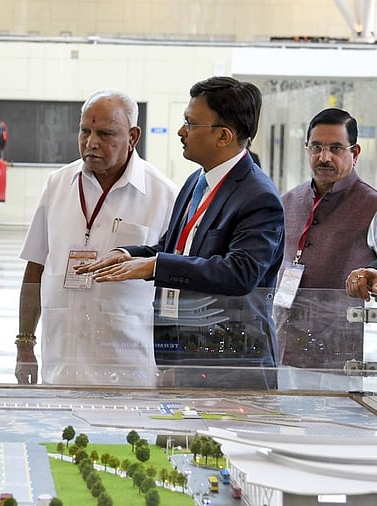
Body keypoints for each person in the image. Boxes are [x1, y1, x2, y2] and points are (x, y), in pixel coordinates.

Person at [82, 76, 285, 389]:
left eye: (190, 123)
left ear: (224, 136)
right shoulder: (196, 182)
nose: (180, 131)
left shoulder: (258, 197)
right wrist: (128, 255)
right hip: (184, 357)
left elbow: (241, 273)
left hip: (231, 366)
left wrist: (156, 266)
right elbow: (174, 249)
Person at [16, 90, 178, 387]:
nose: (91, 142)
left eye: (105, 134)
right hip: (62, 368)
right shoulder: (57, 185)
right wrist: (24, 344)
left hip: (128, 372)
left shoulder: (163, 195)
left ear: (133, 137)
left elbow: (173, 288)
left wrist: (171, 363)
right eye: (85, 131)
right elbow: (35, 268)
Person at [277, 108, 377, 375]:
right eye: (316, 147)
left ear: (355, 153)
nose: (324, 157)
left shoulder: (372, 205)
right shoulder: (288, 201)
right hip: (282, 347)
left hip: (339, 357)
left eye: (336, 148)